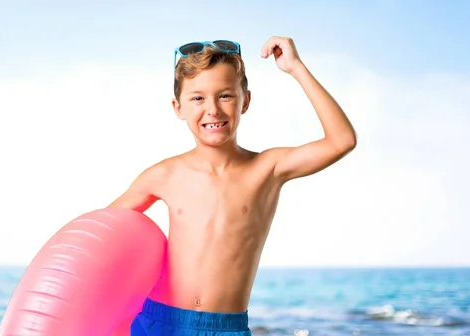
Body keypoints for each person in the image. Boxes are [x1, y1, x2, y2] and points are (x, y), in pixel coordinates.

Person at [109, 36, 357, 335]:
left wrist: (296, 68)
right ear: (178, 108)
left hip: (226, 328)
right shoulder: (163, 174)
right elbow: (101, 233)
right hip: (159, 322)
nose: (212, 109)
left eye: (225, 95)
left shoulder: (268, 169)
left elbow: (342, 141)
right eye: (197, 98)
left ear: (246, 101)